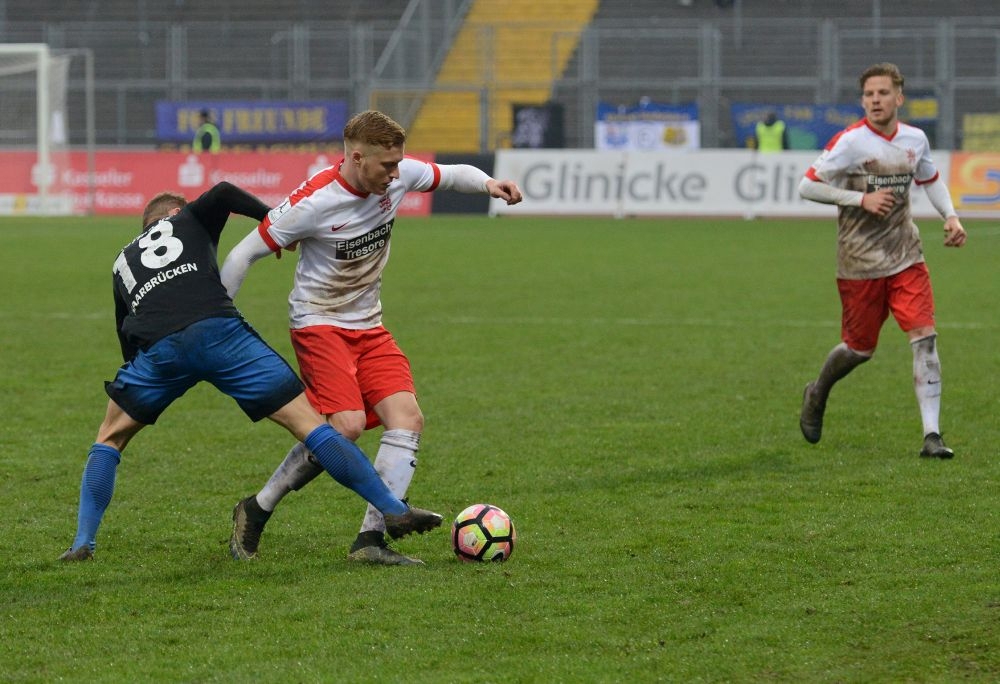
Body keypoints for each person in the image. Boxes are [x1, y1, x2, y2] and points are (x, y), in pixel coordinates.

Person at [59, 181, 441, 562]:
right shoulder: (188, 217)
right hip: (220, 331)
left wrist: (138, 382)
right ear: (176, 213)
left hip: (159, 351)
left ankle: (82, 543)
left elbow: (125, 332)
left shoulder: (122, 260)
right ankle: (393, 508)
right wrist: (273, 223)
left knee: (109, 439)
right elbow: (223, 191)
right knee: (313, 426)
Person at [220, 110, 523, 566]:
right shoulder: (314, 201)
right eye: (387, 166)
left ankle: (371, 541)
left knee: (408, 418)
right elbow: (243, 253)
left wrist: (489, 184)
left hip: (369, 325)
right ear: (357, 158)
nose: (396, 173)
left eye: (399, 164)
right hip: (318, 322)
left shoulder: (395, 177)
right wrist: (221, 319)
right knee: (346, 427)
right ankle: (258, 508)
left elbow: (451, 174)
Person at [797, 62, 967, 459]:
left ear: (899, 98)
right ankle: (818, 392)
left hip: (906, 255)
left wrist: (951, 215)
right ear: (863, 100)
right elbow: (808, 185)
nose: (875, 100)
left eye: (883, 93)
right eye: (869, 94)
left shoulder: (915, 139)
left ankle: (932, 436)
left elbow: (930, 178)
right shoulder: (851, 142)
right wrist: (861, 198)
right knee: (858, 350)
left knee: (925, 338)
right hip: (859, 261)